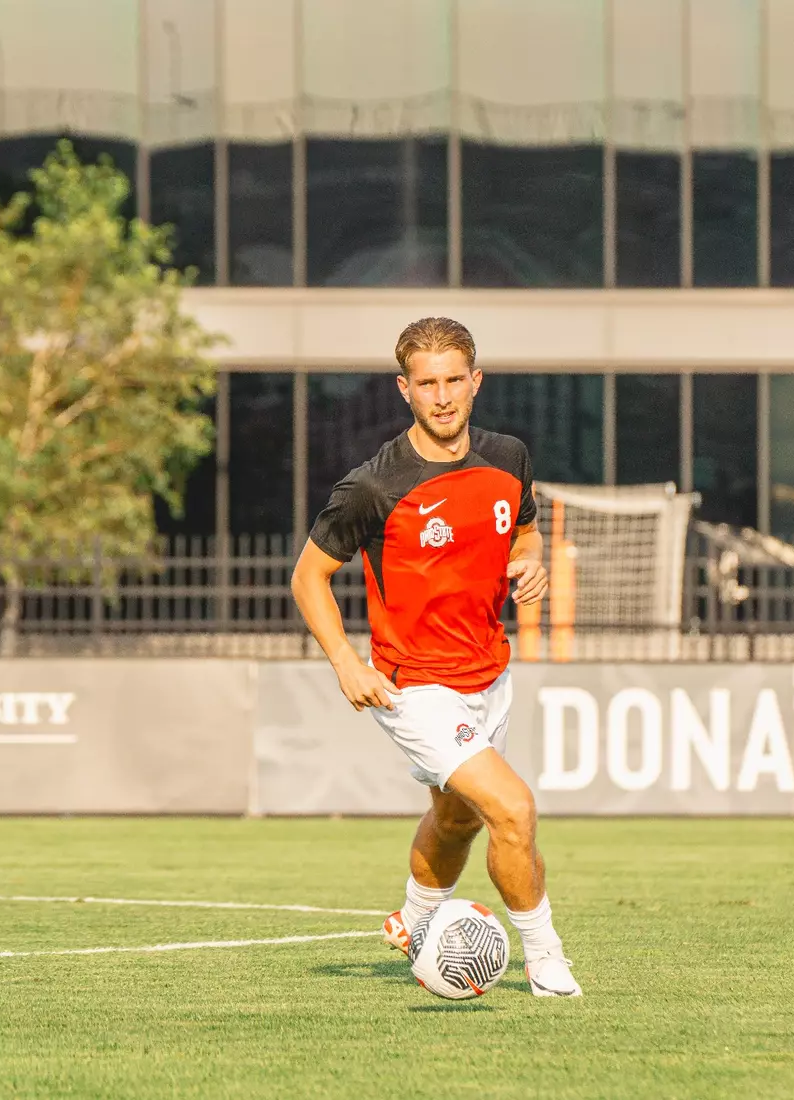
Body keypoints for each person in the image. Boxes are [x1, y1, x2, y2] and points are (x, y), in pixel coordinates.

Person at [290, 316, 581, 998]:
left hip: (490, 674)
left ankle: (414, 923)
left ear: (475, 382)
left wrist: (530, 565)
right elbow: (308, 577)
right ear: (405, 390)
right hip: (413, 686)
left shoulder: (509, 457)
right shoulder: (372, 487)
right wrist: (344, 661)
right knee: (512, 809)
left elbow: (526, 534)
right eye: (427, 384)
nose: (443, 396)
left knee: (457, 818)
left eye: (455, 381)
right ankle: (546, 961)